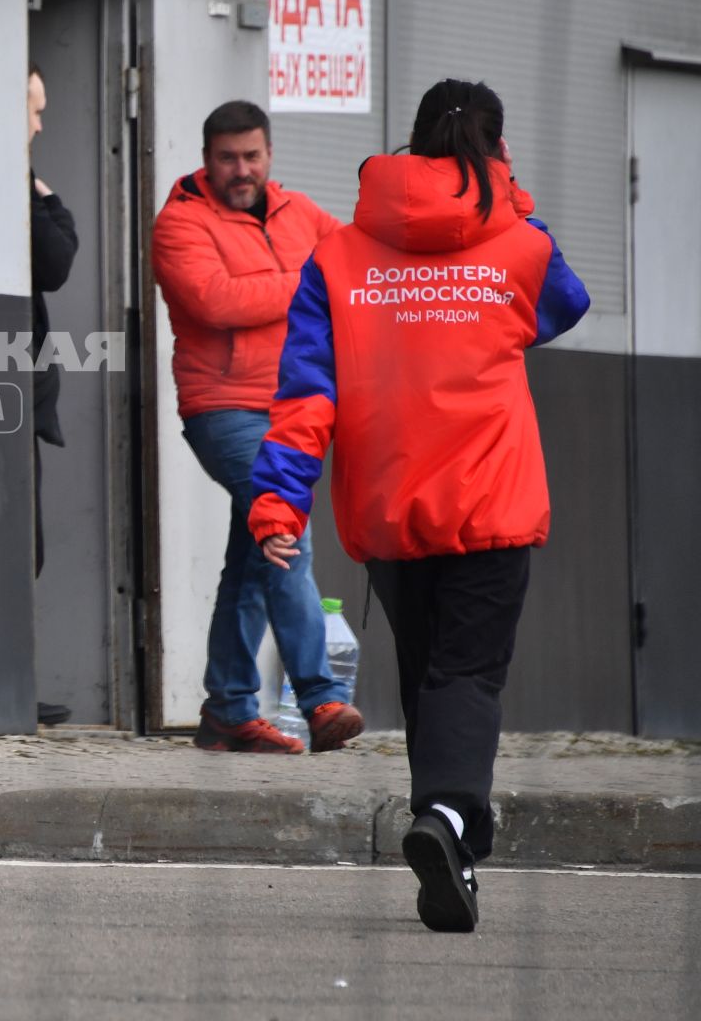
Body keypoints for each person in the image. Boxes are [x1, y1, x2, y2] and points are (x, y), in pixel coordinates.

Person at [250, 79, 589, 932]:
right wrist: (506, 203)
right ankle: (447, 818)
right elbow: (566, 306)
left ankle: (452, 842)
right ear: (496, 148)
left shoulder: (337, 254)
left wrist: (277, 509)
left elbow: (304, 396)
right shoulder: (522, 245)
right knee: (468, 677)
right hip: (489, 497)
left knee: (427, 675)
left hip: (390, 505)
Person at [150, 100, 362, 755]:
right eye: (227, 158)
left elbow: (352, 260)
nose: (240, 169)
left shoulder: (302, 213)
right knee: (285, 530)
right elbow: (217, 301)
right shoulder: (179, 223)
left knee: (251, 561)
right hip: (225, 409)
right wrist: (307, 280)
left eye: (252, 156)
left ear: (269, 154)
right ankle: (320, 696)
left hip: (295, 408)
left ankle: (229, 709)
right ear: (206, 158)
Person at [27, 64, 80, 578]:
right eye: (34, 111)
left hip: (15, 394)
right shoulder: (11, 179)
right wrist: (53, 203)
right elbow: (55, 261)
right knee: (20, 550)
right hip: (5, 395)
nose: (39, 126)